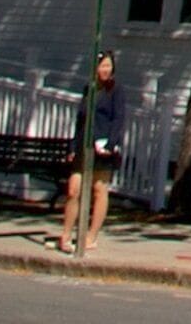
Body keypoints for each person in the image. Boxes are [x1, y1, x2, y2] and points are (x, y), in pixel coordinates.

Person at [65, 53, 125, 256]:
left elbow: (118, 119)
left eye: (108, 66)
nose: (105, 70)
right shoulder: (89, 89)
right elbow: (80, 120)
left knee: (99, 190)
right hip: (84, 144)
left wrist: (110, 143)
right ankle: (65, 235)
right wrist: (73, 146)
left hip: (102, 147)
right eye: (101, 66)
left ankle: (91, 236)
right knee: (74, 190)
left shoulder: (116, 91)